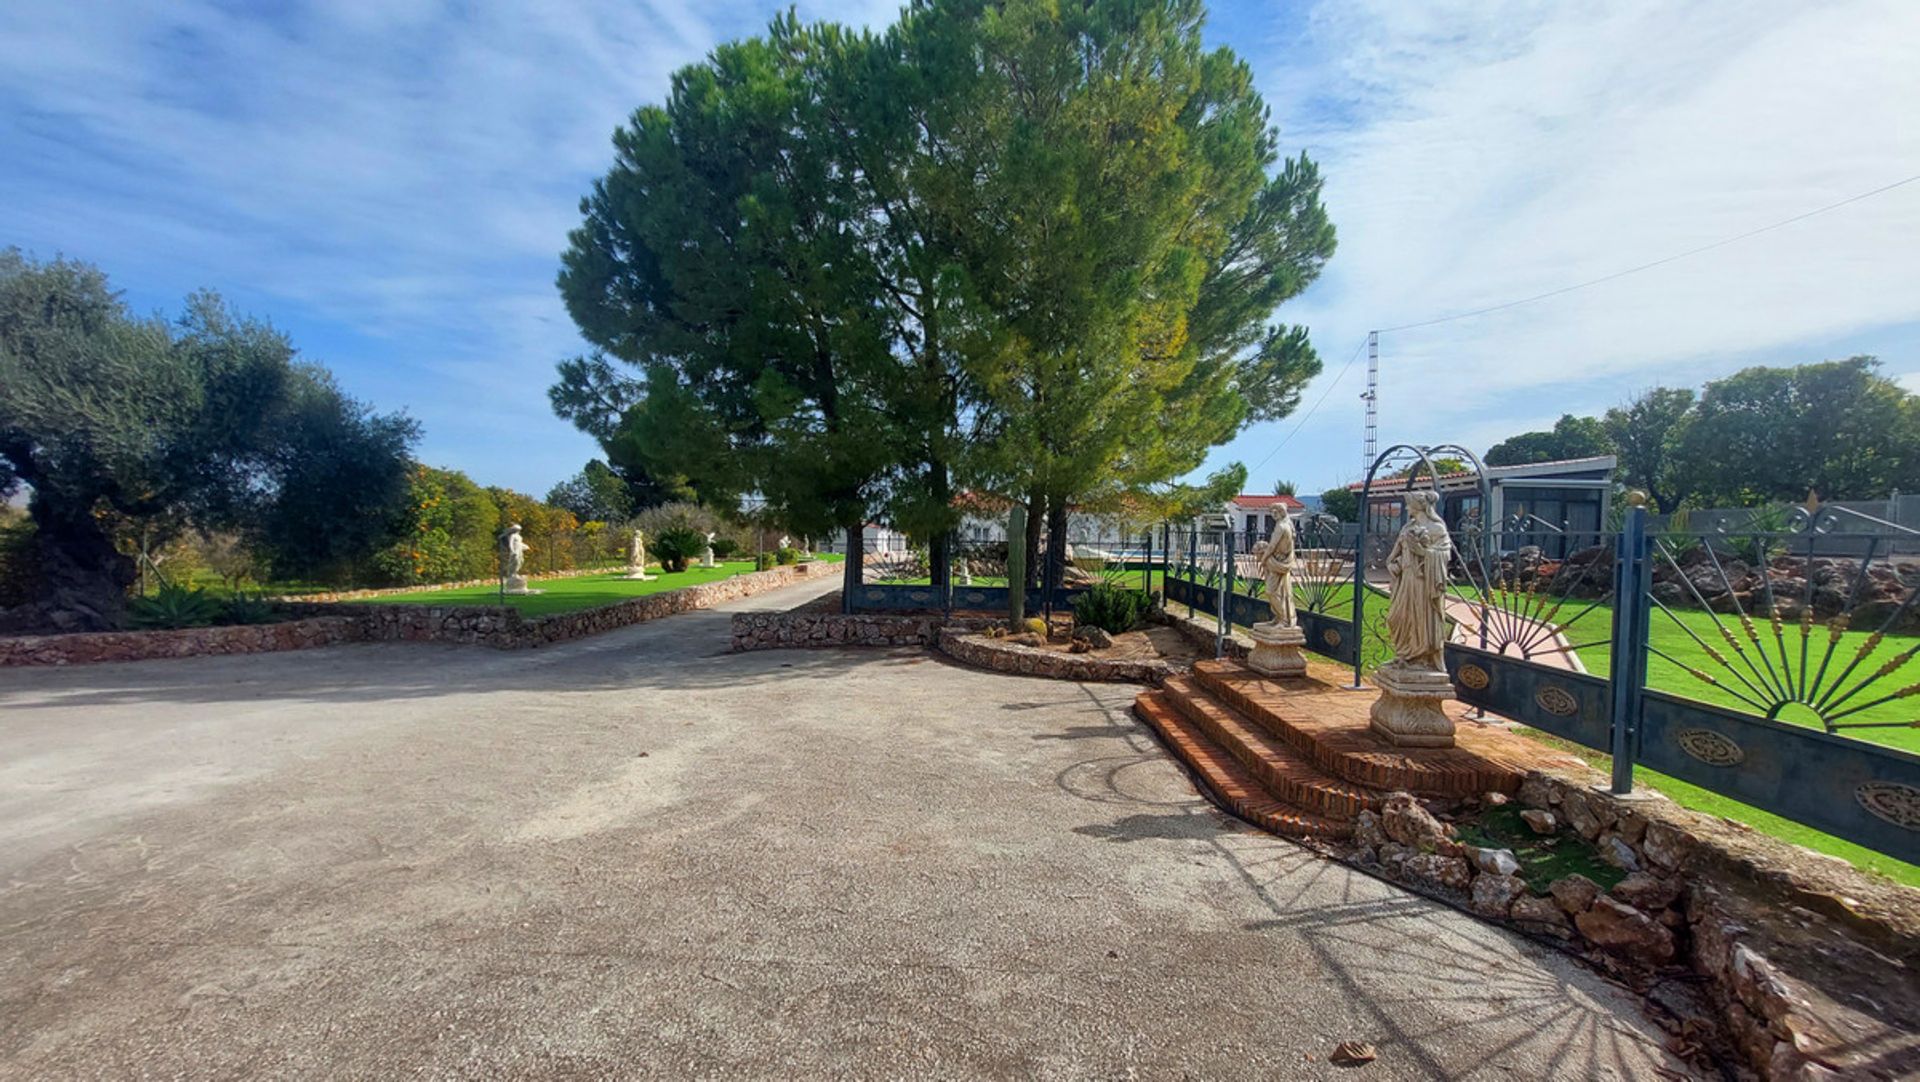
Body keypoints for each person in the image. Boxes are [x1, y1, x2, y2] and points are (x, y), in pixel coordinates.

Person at [1384, 490, 1452, 670]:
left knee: (1420, 618)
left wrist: (1421, 552)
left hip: (1424, 582)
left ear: (1419, 506)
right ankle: (1404, 654)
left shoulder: (1437, 529)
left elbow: (1444, 554)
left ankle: (1420, 658)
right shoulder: (1407, 527)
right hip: (1406, 579)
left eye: (1409, 504)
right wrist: (1394, 564)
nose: (1407, 507)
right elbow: (1394, 555)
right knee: (1395, 618)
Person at [1252, 508, 1297, 627]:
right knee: (1279, 591)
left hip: (1277, 561)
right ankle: (1279, 617)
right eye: (1272, 512)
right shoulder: (1285, 525)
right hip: (1279, 560)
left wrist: (1264, 558)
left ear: (1282, 513)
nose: (1273, 515)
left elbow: (1272, 546)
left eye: (1276, 512)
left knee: (1271, 591)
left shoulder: (1281, 527)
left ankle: (1283, 619)